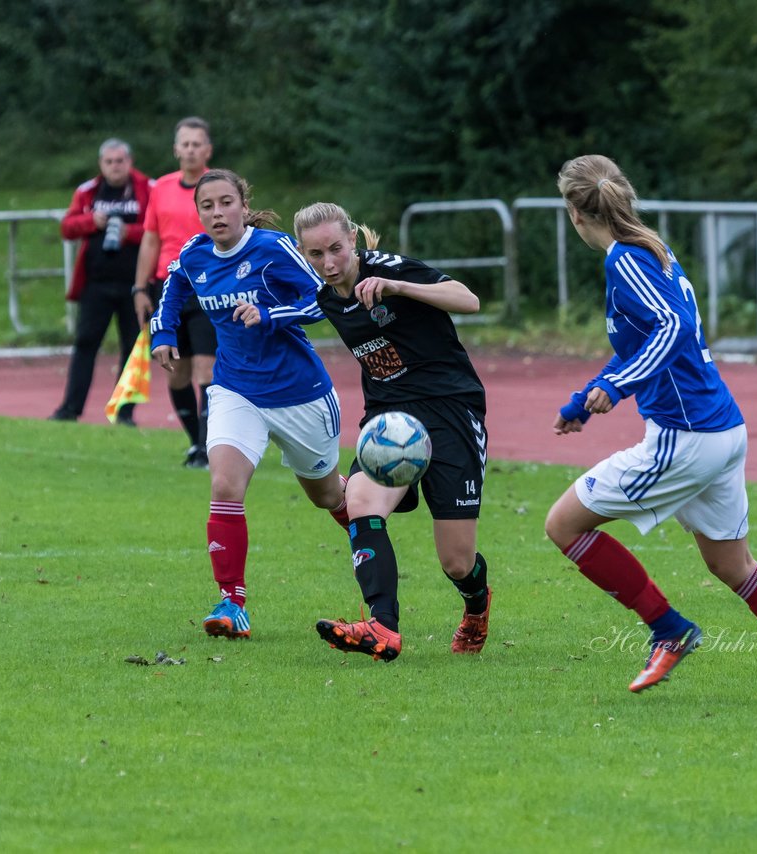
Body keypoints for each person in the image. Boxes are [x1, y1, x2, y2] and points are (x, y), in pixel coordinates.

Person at [545, 154, 757, 699]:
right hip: (722, 431)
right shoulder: (651, 250)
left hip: (684, 439)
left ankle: (669, 629)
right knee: (733, 565)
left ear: (574, 211)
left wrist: (615, 390)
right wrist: (583, 398)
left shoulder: (625, 260)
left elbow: (673, 327)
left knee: (563, 525)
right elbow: (648, 342)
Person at [150, 169, 350, 640]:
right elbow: (173, 290)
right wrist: (162, 333)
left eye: (226, 203)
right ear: (197, 212)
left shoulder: (273, 248)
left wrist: (270, 313)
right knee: (223, 484)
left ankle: (370, 532)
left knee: (328, 497)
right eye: (207, 206)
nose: (217, 213)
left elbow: (322, 300)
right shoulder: (194, 254)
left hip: (300, 394)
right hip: (236, 390)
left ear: (243, 205)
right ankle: (231, 602)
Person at [293, 202, 491, 662]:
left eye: (337, 249)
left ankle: (477, 605)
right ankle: (382, 627)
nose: (329, 262)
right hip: (389, 418)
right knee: (359, 501)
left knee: (457, 563)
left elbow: (469, 299)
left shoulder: (389, 268)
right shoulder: (325, 296)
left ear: (354, 242)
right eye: (317, 254)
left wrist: (400, 287)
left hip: (450, 409)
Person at [132, 117, 218, 467]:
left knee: (207, 370)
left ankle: (208, 445)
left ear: (207, 150)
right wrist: (139, 287)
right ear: (175, 149)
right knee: (176, 370)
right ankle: (195, 442)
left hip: (208, 286)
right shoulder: (162, 188)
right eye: (185, 143)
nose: (191, 149)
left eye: (197, 143)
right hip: (167, 287)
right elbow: (150, 238)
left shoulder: (217, 187)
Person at [49, 138, 152, 423]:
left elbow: (157, 229)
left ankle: (124, 412)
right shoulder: (88, 191)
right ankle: (70, 408)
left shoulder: (148, 189)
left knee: (133, 347)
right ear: (101, 164)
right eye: (109, 162)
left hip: (136, 284)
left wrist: (127, 233)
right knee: (85, 342)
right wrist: (91, 222)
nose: (115, 167)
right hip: (96, 283)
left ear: (129, 162)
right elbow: (67, 228)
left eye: (120, 161)